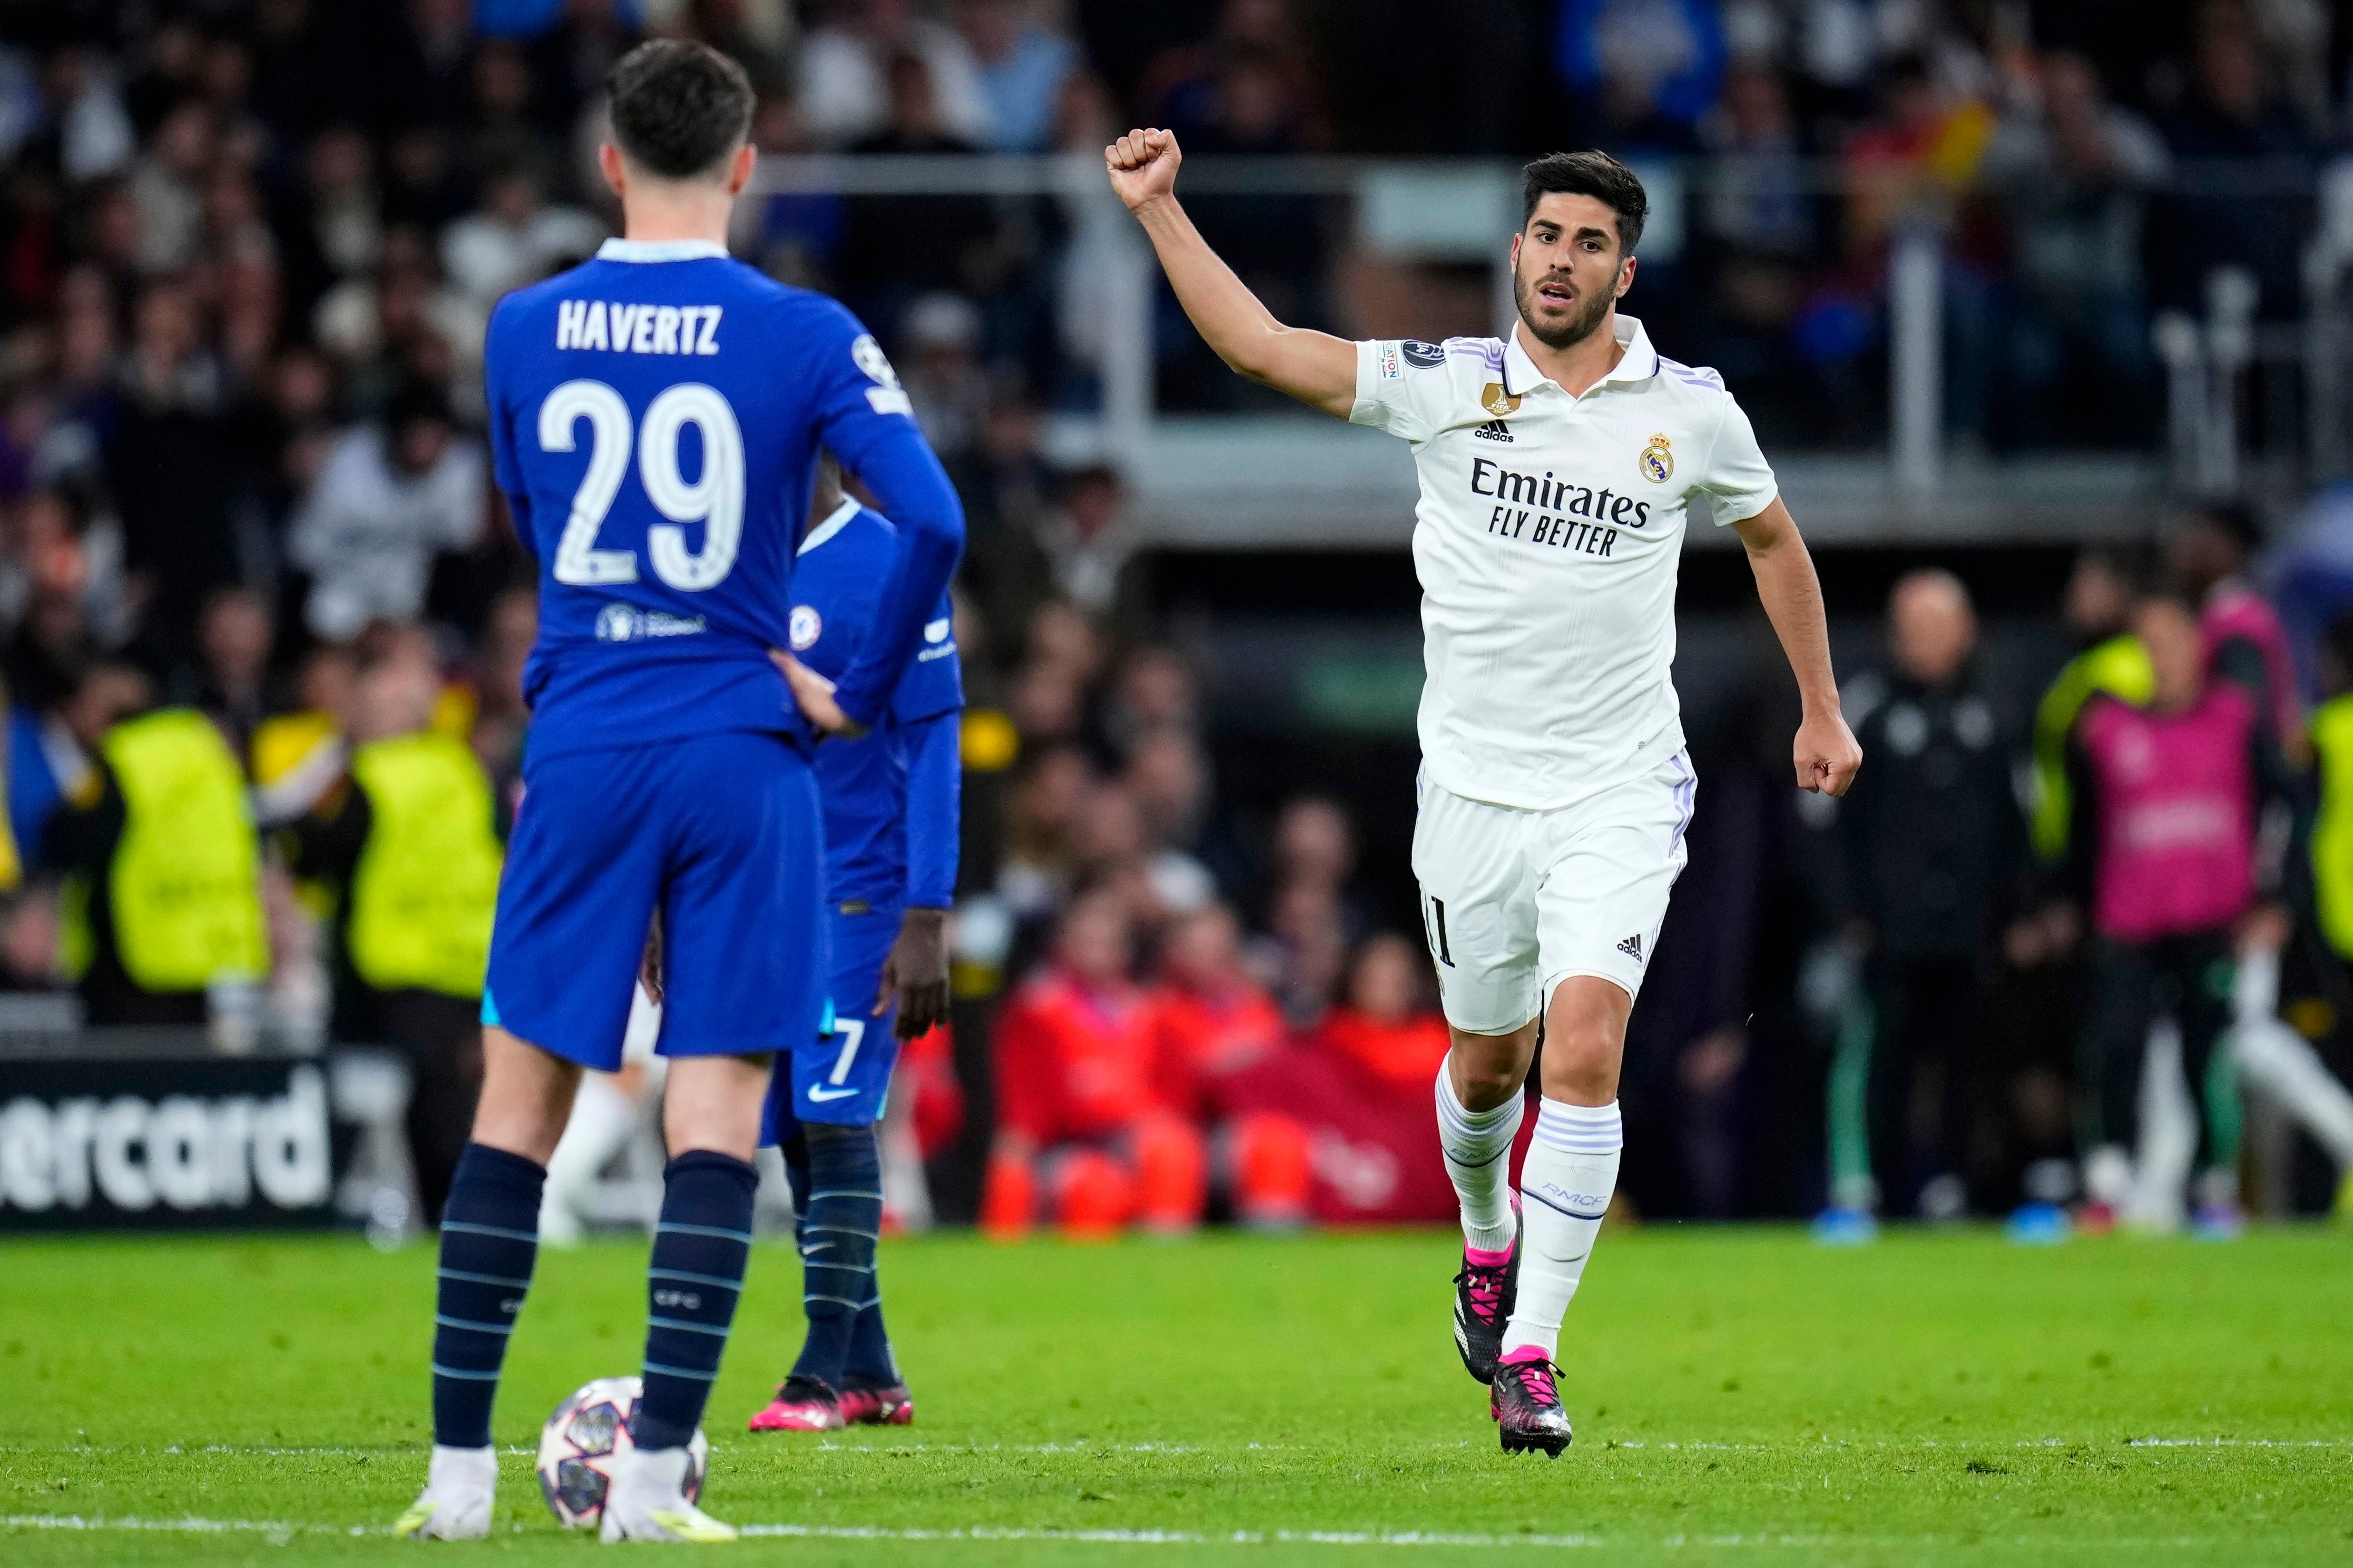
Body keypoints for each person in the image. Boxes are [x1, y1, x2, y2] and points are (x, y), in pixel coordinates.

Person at [1104, 131, 1857, 1453]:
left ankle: (1533, 1354)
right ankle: (1486, 1237)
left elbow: (1772, 535)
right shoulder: (1445, 384)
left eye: (1590, 245)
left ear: (1626, 272)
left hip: (1620, 786)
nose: (1563, 261)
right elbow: (1264, 348)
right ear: (1518, 251)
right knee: (1487, 1063)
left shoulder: (1692, 412)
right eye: (1547, 237)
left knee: (1583, 1048)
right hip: (1471, 794)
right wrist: (1162, 211)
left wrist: (1823, 704)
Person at [395, 41, 962, 1544]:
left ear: (605, 161)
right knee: (711, 1124)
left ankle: (456, 1486)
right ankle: (651, 1489)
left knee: (515, 1112)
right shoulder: (804, 332)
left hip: (580, 739)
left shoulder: (520, 327)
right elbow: (937, 517)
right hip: (740, 751)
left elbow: (535, 527)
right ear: (744, 165)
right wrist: (851, 679)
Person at [747, 452, 962, 1436]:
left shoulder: (888, 559)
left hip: (856, 898)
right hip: (751, 893)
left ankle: (819, 1376)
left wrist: (926, 911)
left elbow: (933, 739)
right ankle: (872, 1373)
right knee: (795, 1129)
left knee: (835, 1118)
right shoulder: (728, 559)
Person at [2061, 591, 2303, 1238]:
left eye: (2172, 642)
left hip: (2212, 920)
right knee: (2116, 1048)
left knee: (2208, 1054)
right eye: (2149, 645)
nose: (2161, 658)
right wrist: (2069, 908)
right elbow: (2080, 832)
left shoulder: (2235, 717)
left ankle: (2212, 1184)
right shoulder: (2103, 729)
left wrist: (2278, 901)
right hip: (2128, 920)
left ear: (2198, 648)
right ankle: (2108, 1182)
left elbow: (2289, 808)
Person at [278, 625, 505, 1226]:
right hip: (464, 960)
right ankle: (460, 1217)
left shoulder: (373, 776)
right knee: (452, 1103)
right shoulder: (461, 768)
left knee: (399, 1104)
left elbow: (314, 850)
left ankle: (399, 1213)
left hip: (394, 967)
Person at [1817, 571, 2026, 1224]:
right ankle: (1860, 1191)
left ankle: (1957, 1187)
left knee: (1968, 1064)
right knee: (1875, 1058)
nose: (1923, 642)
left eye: (1937, 627)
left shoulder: (1993, 713)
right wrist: (1846, 911)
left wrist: (2017, 911)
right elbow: (1822, 824)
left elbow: (2020, 819)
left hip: (1969, 930)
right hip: (1884, 932)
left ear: (1964, 632)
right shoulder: (1866, 706)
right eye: (1911, 628)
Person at [42, 664, 269, 1029]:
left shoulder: (126, 758)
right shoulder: (208, 748)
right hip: (207, 954)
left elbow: (69, 838)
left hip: (132, 957)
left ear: (107, 711)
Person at [983, 888, 1207, 1238]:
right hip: (1067, 1143)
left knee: (1171, 1148)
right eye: (1087, 941)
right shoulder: (1038, 1009)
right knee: (1094, 1187)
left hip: (1132, 1140)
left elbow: (1173, 1095)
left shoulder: (1149, 1009)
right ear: (1064, 946)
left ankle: (1169, 1265)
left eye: (1108, 942)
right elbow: (1023, 1094)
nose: (1098, 952)